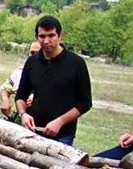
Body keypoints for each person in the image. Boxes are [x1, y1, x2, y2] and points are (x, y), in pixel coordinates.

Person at [16, 15, 92, 146]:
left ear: (60, 35)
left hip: (62, 135)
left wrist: (60, 121)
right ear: (36, 37)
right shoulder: (32, 62)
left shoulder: (76, 63)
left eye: (51, 36)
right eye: (42, 36)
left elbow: (85, 103)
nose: (46, 41)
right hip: (32, 132)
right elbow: (20, 96)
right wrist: (23, 114)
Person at [0, 41, 41, 120]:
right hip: (20, 117)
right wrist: (5, 100)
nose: (35, 56)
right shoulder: (21, 71)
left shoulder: (53, 72)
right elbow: (5, 88)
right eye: (32, 53)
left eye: (38, 52)